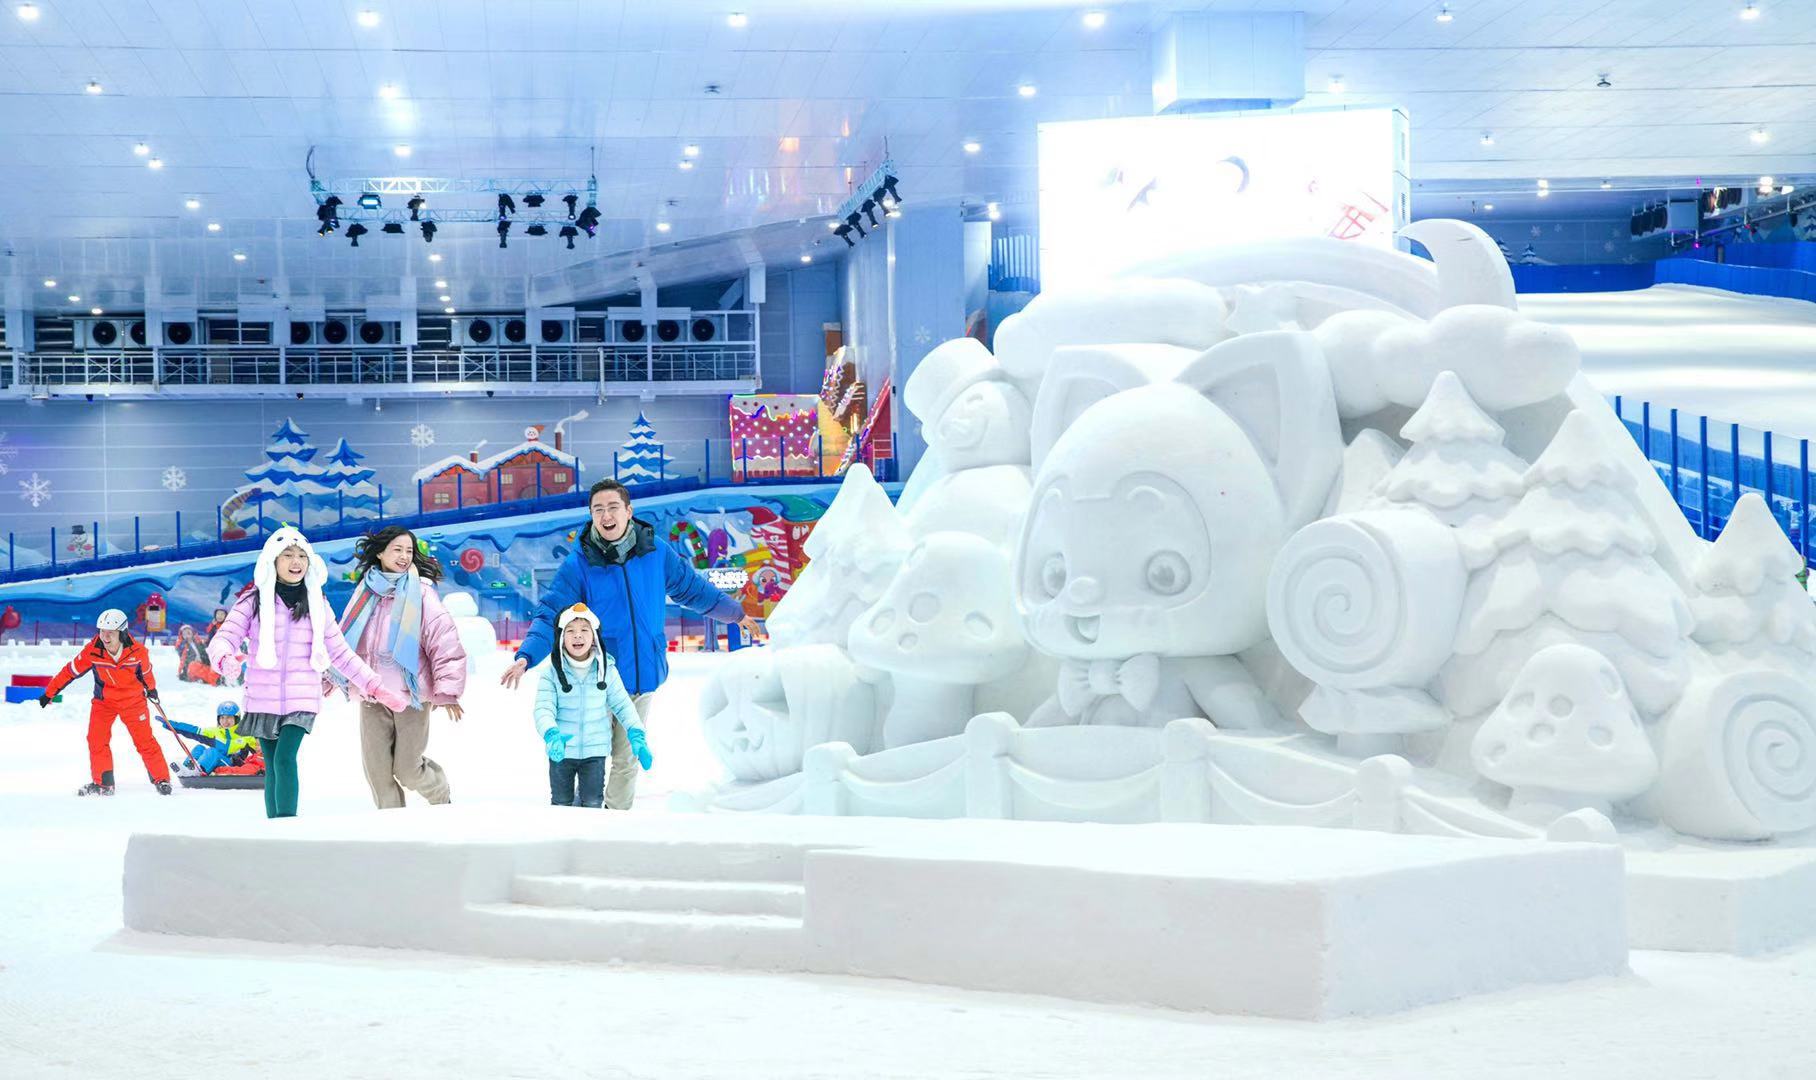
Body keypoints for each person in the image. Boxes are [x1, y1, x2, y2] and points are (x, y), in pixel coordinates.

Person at [501, 479, 752, 810]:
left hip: (643, 671)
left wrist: (734, 613)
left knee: (628, 757)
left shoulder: (655, 552)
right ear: (591, 516)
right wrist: (527, 656)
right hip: (598, 680)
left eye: (613, 507)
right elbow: (551, 612)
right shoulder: (580, 563)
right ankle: (581, 817)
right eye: (598, 510)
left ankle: (615, 821)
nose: (606, 516)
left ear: (629, 511)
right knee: (586, 755)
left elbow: (692, 589)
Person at [207, 527, 406, 819]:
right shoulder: (253, 601)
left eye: (302, 556)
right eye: (288, 555)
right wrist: (224, 658)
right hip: (262, 697)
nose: (296, 561)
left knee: (285, 758)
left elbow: (341, 653)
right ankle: (274, 828)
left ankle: (287, 825)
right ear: (273, 561)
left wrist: (375, 686)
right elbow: (225, 637)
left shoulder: (316, 603)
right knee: (272, 764)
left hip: (302, 697)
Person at [336, 526, 468, 809]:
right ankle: (392, 824)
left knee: (408, 769)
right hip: (372, 694)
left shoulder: (422, 593)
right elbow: (343, 639)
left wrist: (447, 690)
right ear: (380, 553)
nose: (404, 556)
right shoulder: (365, 591)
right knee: (377, 772)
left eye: (409, 551)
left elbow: (444, 641)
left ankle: (440, 795)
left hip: (411, 696)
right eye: (397, 549)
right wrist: (329, 676)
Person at [42, 608, 173, 797]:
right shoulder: (93, 651)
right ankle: (103, 784)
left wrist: (151, 690)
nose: (105, 636)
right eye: (102, 631)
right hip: (104, 703)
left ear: (122, 632)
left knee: (145, 741)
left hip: (133, 702)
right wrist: (49, 693)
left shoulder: (138, 652)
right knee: (96, 740)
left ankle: (162, 779)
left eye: (110, 632)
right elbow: (70, 671)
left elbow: (146, 673)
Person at [535, 603, 650, 808]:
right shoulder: (551, 673)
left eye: (584, 630)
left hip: (595, 752)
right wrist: (552, 735)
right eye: (570, 631)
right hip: (561, 751)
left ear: (594, 636)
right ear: (561, 638)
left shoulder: (606, 670)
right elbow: (543, 708)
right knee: (561, 802)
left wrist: (636, 734)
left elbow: (623, 705)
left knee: (592, 802)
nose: (577, 636)